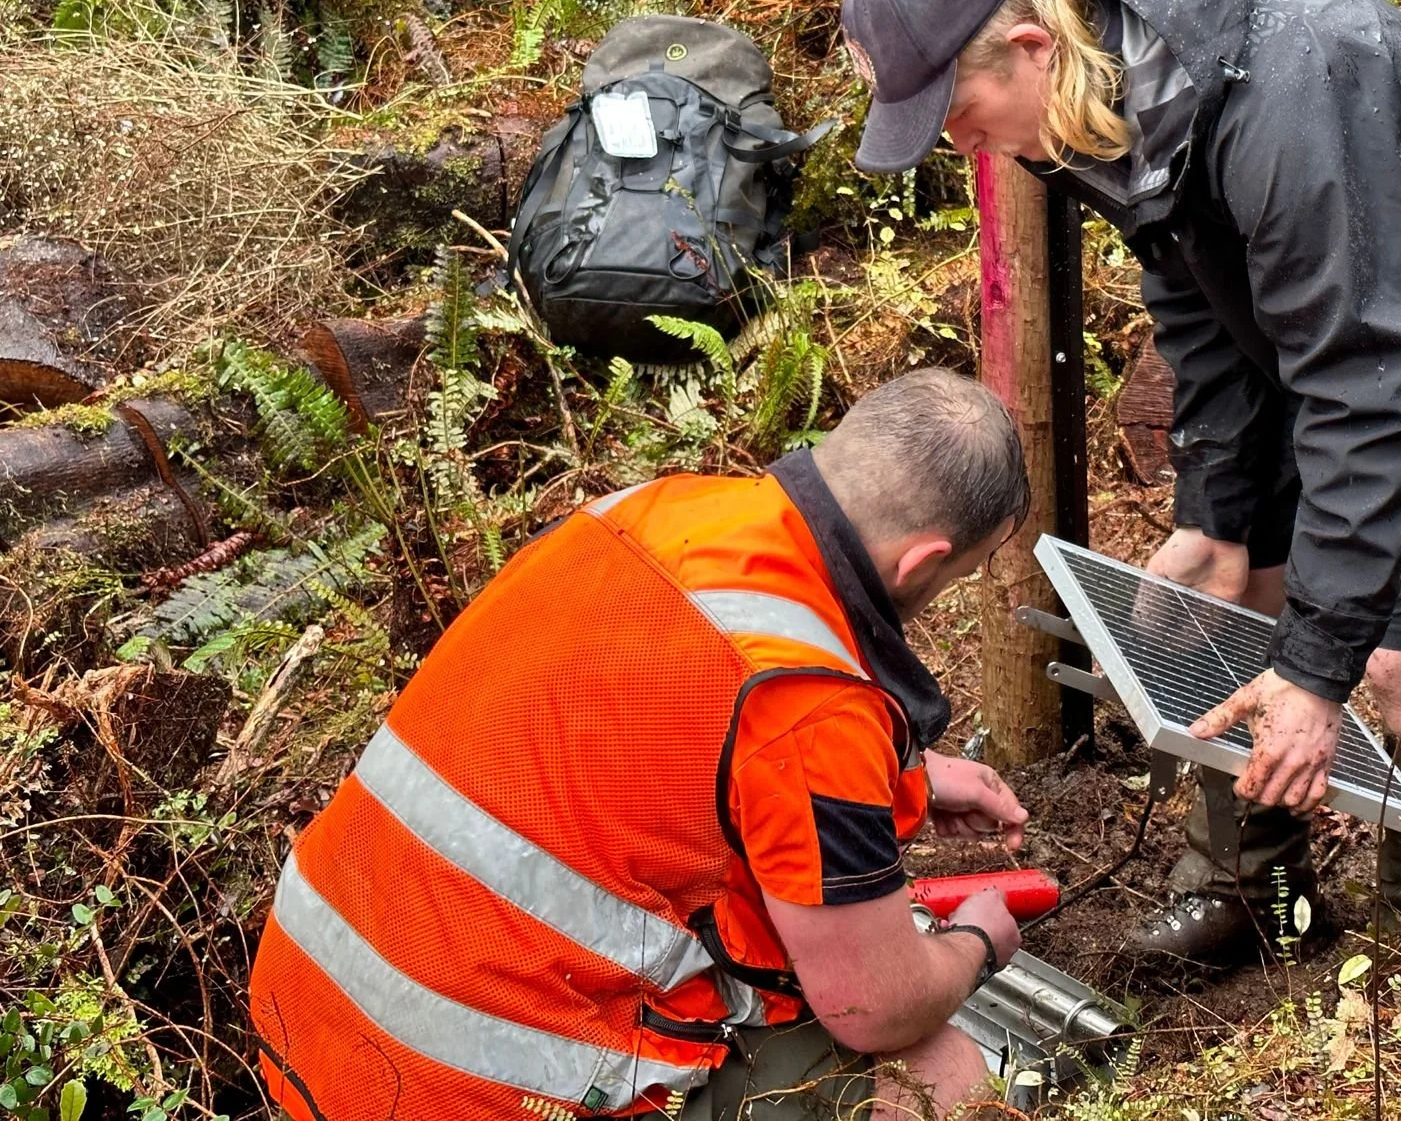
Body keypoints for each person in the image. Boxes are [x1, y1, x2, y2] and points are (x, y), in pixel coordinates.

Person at [841, 0, 1401, 972]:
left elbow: (1372, 381)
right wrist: (1218, 515)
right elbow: (1198, 306)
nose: (969, 147)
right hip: (1336, 341)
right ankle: (1256, 895)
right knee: (1237, 592)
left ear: (1027, 45)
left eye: (962, 120)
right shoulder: (1103, 89)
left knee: (1400, 659)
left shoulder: (1283, 90)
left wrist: (1319, 674)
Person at [248, 369, 1033, 1119]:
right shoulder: (812, 706)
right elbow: (875, 1008)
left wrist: (911, 777)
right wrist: (977, 946)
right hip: (474, 1090)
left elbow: (655, 742)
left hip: (307, 1015)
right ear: (925, 559)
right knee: (944, 1074)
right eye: (960, 575)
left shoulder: (656, 511)